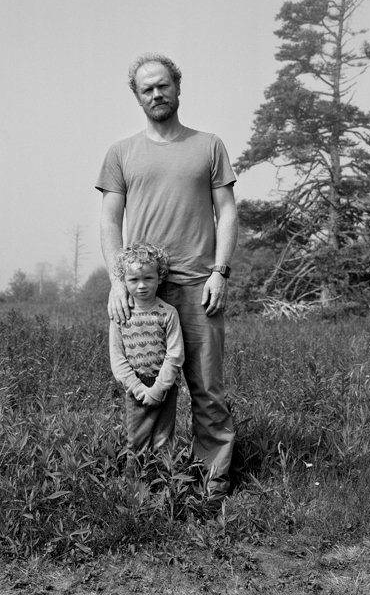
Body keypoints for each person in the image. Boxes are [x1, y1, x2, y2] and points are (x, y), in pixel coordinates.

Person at [96, 52, 238, 499]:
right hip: (143, 291)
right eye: (147, 88)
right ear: (137, 97)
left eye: (163, 85)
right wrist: (118, 281)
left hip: (199, 285)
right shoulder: (121, 153)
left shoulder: (209, 145)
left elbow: (228, 212)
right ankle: (153, 484)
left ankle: (210, 483)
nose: (156, 94)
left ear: (178, 86)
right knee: (146, 391)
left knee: (207, 389)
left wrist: (220, 271)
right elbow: (108, 221)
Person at [109, 242, 184, 453]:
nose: (141, 285)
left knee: (163, 440)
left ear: (159, 278)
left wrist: (160, 387)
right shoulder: (120, 315)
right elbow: (118, 359)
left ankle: (164, 483)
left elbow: (175, 354)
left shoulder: (168, 313)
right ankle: (135, 484)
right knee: (137, 441)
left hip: (166, 386)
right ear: (124, 281)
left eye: (148, 278)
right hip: (136, 387)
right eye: (133, 280)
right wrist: (139, 388)